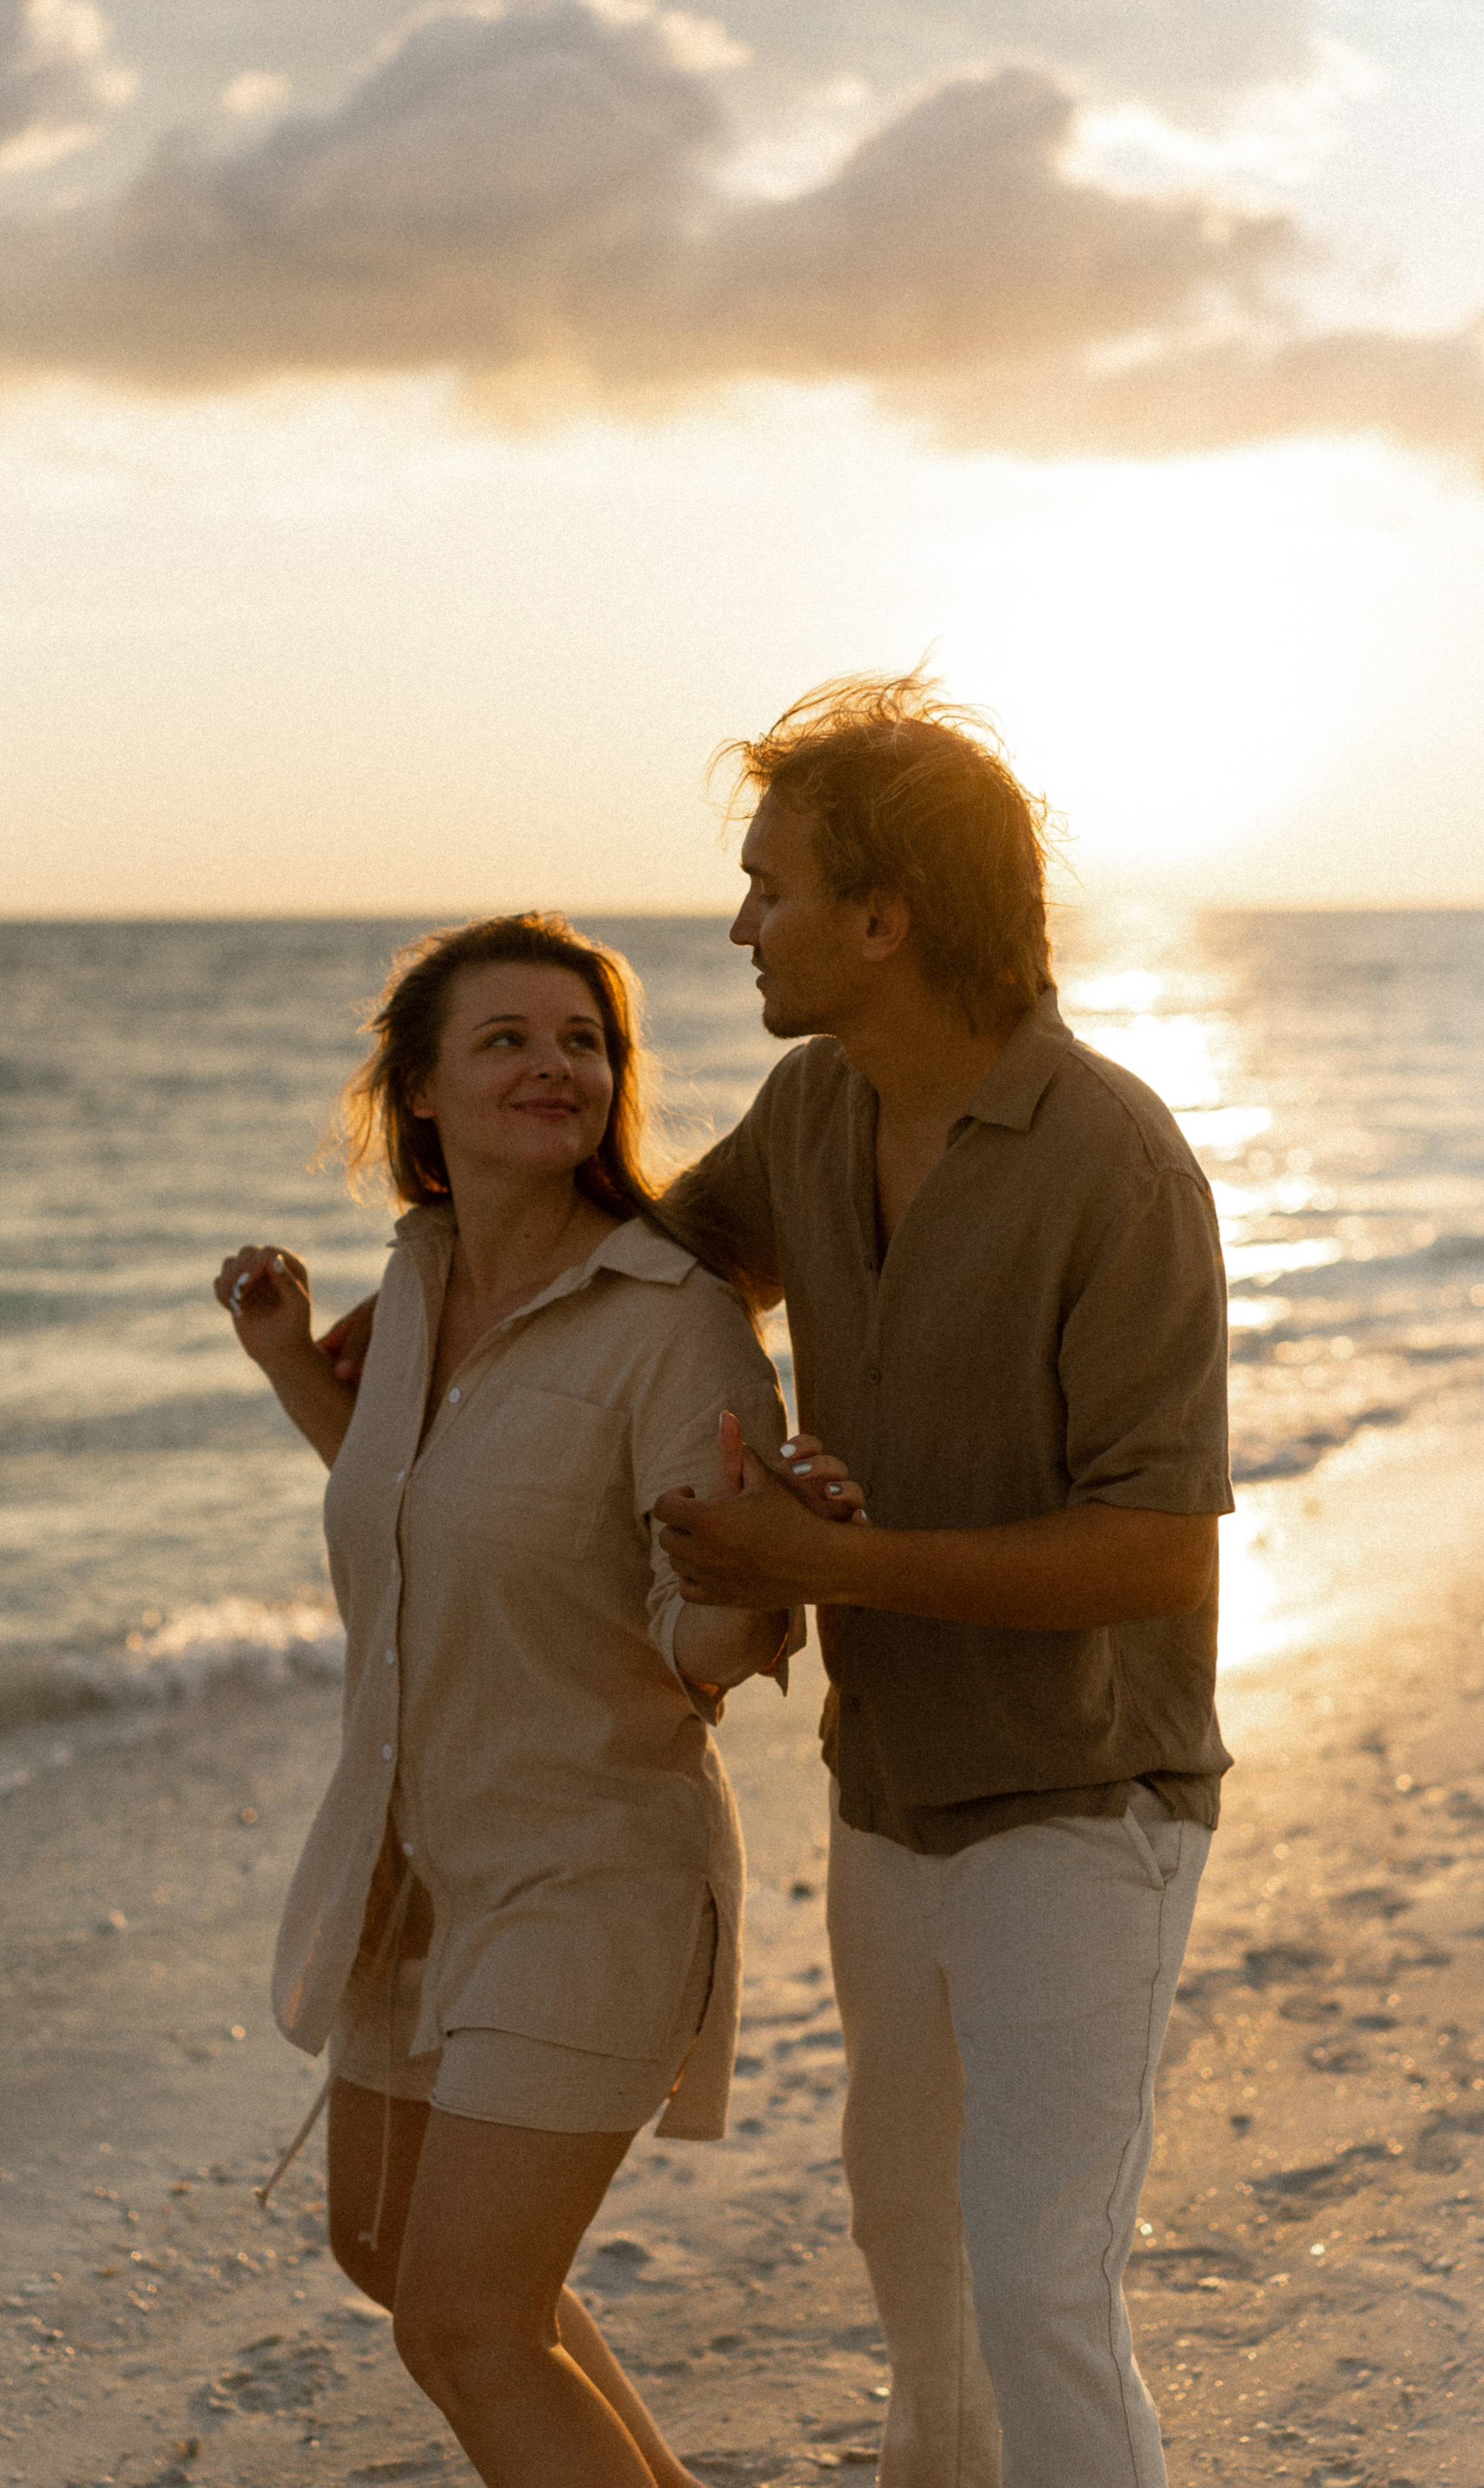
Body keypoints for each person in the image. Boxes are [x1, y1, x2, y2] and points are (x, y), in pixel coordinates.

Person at [648, 677, 1233, 2488]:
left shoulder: (1115, 1163)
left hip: (1084, 1809)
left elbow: (1152, 1545)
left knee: (1037, 2287)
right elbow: (666, 1272)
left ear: (884, 920)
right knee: (914, 2267)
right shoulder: (815, 1109)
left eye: (773, 886)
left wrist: (838, 1561)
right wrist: (438, 1270)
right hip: (889, 1799)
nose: (742, 924)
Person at [214, 912, 835, 2488]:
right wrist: (295, 1367)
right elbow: (428, 1518)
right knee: (386, 2250)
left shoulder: (667, 1317)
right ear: (415, 1090)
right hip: (411, 1865)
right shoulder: (415, 1285)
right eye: (506, 1040)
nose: (556, 1067)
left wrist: (763, 1568)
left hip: (590, 1873)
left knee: (471, 2328)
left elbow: (699, 1645)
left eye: (582, 1041)